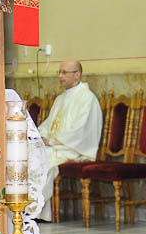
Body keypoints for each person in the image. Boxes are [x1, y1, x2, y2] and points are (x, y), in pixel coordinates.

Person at [37, 59, 102, 221]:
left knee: (43, 159)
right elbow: (49, 124)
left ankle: (36, 210)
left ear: (77, 75)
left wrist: (52, 141)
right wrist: (41, 136)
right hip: (57, 146)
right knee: (30, 154)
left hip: (74, 149)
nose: (60, 76)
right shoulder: (61, 99)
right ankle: (30, 209)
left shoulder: (87, 99)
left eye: (64, 72)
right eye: (59, 72)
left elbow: (81, 131)